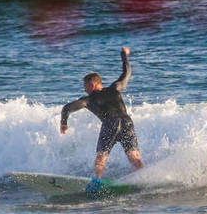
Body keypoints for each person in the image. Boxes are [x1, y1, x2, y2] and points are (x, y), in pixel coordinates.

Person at [60, 46, 145, 183]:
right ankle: (145, 178)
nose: (84, 89)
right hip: (126, 122)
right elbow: (127, 72)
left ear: (93, 85)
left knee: (101, 158)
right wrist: (124, 55)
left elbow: (66, 108)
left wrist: (63, 123)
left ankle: (97, 182)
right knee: (134, 157)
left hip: (110, 124)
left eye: (85, 86)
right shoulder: (116, 88)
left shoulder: (87, 100)